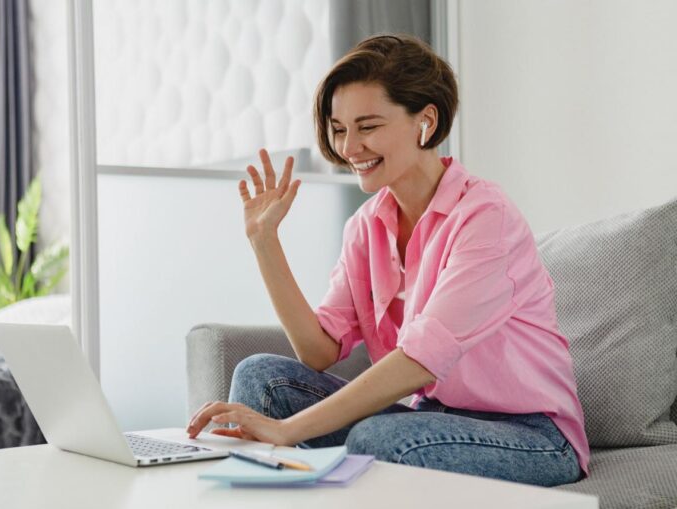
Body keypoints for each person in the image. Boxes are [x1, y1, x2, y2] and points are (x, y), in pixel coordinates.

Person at [186, 34, 589, 486]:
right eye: (339, 129)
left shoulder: (484, 217)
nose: (349, 147)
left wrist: (288, 431)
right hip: (431, 419)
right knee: (260, 377)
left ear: (425, 121)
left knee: (379, 441)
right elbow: (318, 351)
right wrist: (265, 242)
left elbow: (419, 360)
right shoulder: (366, 226)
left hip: (531, 436)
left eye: (368, 126)